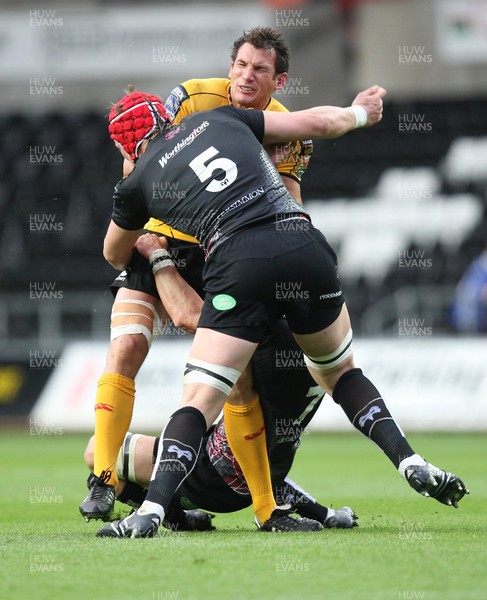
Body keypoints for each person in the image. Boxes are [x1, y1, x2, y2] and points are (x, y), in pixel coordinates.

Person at [101, 84, 468, 538]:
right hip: (304, 243)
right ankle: (408, 459)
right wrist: (359, 113)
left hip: (241, 262)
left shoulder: (136, 182)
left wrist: (141, 213)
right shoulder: (221, 118)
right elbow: (316, 123)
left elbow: (115, 254)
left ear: (124, 147)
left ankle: (152, 510)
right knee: (341, 374)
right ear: (168, 119)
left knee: (199, 400)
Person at [80, 27, 378, 531]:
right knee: (127, 346)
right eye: (240, 64)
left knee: (234, 376)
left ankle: (265, 506)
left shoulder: (280, 126)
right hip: (155, 235)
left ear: (277, 79)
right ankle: (104, 480)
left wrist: (294, 256)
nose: (246, 75)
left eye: (259, 69)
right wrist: (144, 236)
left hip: (221, 247)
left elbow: (286, 196)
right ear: (230, 65)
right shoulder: (195, 97)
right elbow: (140, 152)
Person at [90, 318, 360, 536]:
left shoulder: (261, 375)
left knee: (97, 454)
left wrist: (160, 261)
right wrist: (325, 514)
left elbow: (186, 316)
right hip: (232, 482)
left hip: (207, 474)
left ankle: (161, 509)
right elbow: (273, 473)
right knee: (100, 454)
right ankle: (175, 514)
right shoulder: (304, 386)